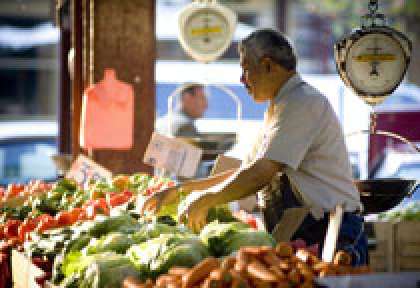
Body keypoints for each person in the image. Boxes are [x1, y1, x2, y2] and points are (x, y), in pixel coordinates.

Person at [142, 29, 368, 265]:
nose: (242, 79)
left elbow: (260, 174)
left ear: (268, 65)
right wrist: (183, 190)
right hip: (305, 233)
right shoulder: (279, 108)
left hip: (333, 234)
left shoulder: (303, 103)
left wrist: (208, 199)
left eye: (246, 68)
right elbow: (246, 172)